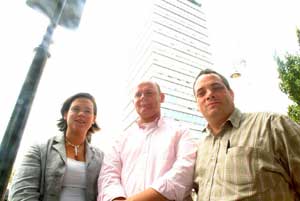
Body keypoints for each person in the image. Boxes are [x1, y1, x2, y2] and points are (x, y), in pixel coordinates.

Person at [193, 68, 300, 200]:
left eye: (216, 87)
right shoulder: (196, 149)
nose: (209, 94)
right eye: (201, 93)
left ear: (231, 94)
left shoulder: (272, 125)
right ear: (197, 105)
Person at [97, 81, 197, 201]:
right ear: (133, 102)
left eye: (149, 93)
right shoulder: (121, 140)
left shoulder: (181, 132)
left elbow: (184, 172)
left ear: (162, 97)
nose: (143, 97)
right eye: (138, 95)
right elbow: (108, 176)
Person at [9, 92, 104, 201]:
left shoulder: (101, 157)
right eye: (75, 109)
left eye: (87, 111)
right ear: (65, 114)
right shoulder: (39, 150)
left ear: (93, 119)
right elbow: (22, 193)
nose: (81, 113)